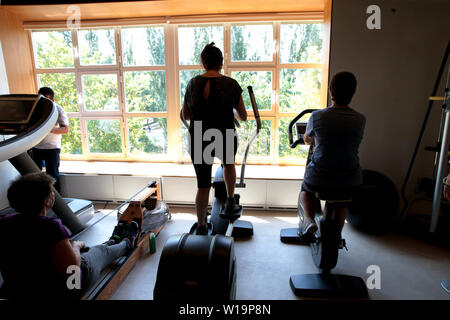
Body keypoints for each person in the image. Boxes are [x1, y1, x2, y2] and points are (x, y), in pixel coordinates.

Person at [0, 173, 139, 299]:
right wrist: (76, 246)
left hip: (16, 290)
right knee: (98, 253)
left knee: (92, 250)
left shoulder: (5, 222)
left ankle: (111, 241)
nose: (53, 194)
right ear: (47, 201)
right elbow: (72, 267)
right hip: (66, 290)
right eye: (51, 192)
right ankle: (127, 243)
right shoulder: (51, 226)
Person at [181, 43, 247, 235]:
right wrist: (231, 110)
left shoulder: (192, 83)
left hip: (199, 134)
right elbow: (242, 116)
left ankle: (201, 227)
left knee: (202, 185)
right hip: (224, 132)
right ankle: (230, 200)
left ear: (203, 62)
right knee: (228, 164)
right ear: (221, 62)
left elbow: (185, 114)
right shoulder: (232, 84)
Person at [301, 72, 366, 246]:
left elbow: (307, 139)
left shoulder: (317, 116)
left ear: (331, 91)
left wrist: (315, 138)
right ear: (352, 93)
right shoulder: (360, 119)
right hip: (349, 178)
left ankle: (308, 220)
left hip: (320, 177)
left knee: (305, 188)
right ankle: (336, 237)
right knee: (340, 202)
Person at [31, 87, 69, 193]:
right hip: (36, 146)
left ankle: (56, 201)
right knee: (34, 175)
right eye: (42, 99)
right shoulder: (34, 109)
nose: (44, 102)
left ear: (52, 100)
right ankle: (38, 199)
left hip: (52, 148)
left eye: (47, 99)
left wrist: (48, 129)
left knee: (52, 175)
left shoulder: (59, 110)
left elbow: (65, 129)